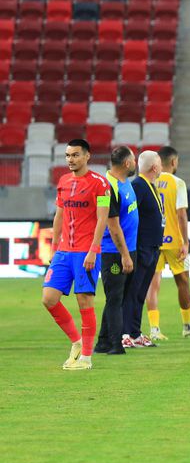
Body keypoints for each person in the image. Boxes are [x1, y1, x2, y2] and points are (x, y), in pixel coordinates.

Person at [41, 139, 112, 371]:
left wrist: (93, 249)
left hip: (86, 252)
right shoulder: (63, 182)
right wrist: (53, 247)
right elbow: (59, 216)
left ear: (87, 156)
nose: (70, 160)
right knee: (49, 299)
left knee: (84, 302)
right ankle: (77, 342)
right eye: (68, 156)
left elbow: (103, 218)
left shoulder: (101, 184)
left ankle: (86, 358)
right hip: (63, 252)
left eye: (75, 155)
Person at [146, 146, 190, 339]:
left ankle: (154, 329)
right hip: (174, 241)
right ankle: (187, 326)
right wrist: (185, 242)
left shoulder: (149, 181)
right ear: (174, 162)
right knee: (183, 282)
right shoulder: (178, 183)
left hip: (153, 241)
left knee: (153, 284)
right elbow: (181, 214)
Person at [94, 147, 137, 355]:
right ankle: (115, 344)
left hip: (130, 248)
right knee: (115, 298)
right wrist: (125, 255)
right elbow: (112, 226)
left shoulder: (125, 183)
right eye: (134, 160)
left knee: (116, 297)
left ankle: (103, 342)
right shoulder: (106, 187)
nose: (135, 163)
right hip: (114, 252)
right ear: (127, 163)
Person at [121, 150, 164, 348]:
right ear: (154, 167)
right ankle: (126, 333)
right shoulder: (138, 186)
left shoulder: (148, 186)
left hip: (152, 246)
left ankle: (135, 333)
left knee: (140, 292)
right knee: (132, 290)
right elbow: (128, 216)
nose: (162, 167)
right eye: (160, 164)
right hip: (141, 247)